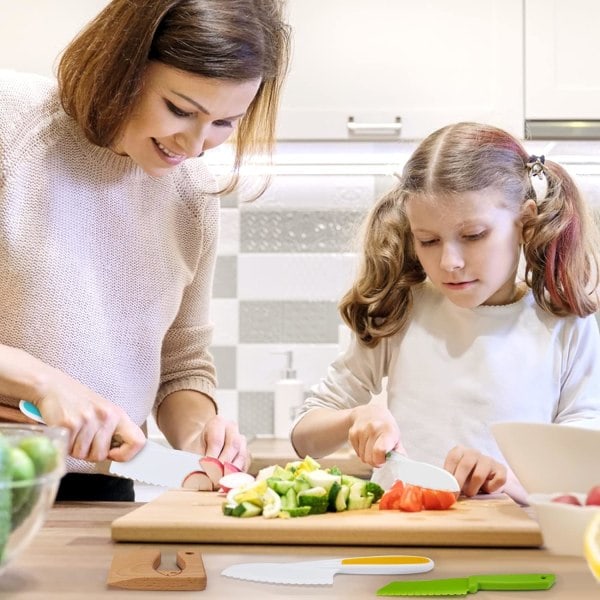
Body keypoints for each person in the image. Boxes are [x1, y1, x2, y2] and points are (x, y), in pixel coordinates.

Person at [0, 0, 290, 500]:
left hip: (98, 490)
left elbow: (181, 363)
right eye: (180, 109)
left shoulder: (192, 194)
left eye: (225, 122)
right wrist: (42, 381)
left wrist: (202, 435)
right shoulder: (11, 124)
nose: (196, 144)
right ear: (121, 66)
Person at [291, 122, 600, 504]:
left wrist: (507, 482)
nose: (449, 262)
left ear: (524, 221)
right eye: (429, 241)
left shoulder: (564, 324)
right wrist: (352, 419)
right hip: (400, 540)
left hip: (514, 544)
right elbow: (305, 435)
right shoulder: (401, 310)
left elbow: (583, 472)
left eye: (473, 236)